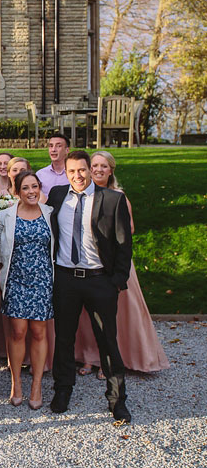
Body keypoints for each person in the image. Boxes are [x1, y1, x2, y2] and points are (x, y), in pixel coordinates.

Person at [46, 150, 133, 423]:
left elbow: (123, 245)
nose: (78, 176)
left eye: (82, 170)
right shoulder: (58, 196)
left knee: (107, 339)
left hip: (99, 280)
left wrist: (116, 281)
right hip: (66, 279)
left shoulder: (112, 199)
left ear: (90, 170)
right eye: (72, 171)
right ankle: (62, 390)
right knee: (64, 338)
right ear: (66, 172)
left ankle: (117, 399)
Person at [74, 151, 168, 376]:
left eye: (103, 166)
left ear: (111, 170)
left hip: (113, 263)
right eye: (94, 165)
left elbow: (129, 230)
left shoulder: (119, 196)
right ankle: (89, 357)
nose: (98, 170)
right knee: (87, 316)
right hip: (87, 263)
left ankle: (112, 358)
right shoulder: (81, 194)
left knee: (116, 314)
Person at [0, 171, 54, 410]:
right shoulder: (6, 216)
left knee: (39, 332)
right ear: (17, 192)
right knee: (18, 331)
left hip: (42, 279)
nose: (31, 192)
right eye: (26, 188)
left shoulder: (49, 213)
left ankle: (36, 385)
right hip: (16, 278)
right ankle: (16, 383)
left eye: (35, 187)